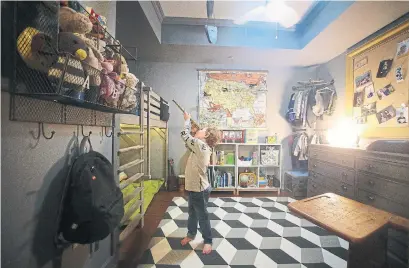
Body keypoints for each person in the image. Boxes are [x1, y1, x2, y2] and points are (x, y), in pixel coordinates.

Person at [180, 112, 220, 255]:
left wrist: (187, 121)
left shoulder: (200, 145)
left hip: (198, 189)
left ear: (205, 136)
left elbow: (184, 136)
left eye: (202, 130)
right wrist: (192, 131)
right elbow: (189, 140)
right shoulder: (200, 145)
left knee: (202, 215)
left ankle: (208, 240)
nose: (199, 129)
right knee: (192, 212)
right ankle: (191, 234)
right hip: (196, 187)